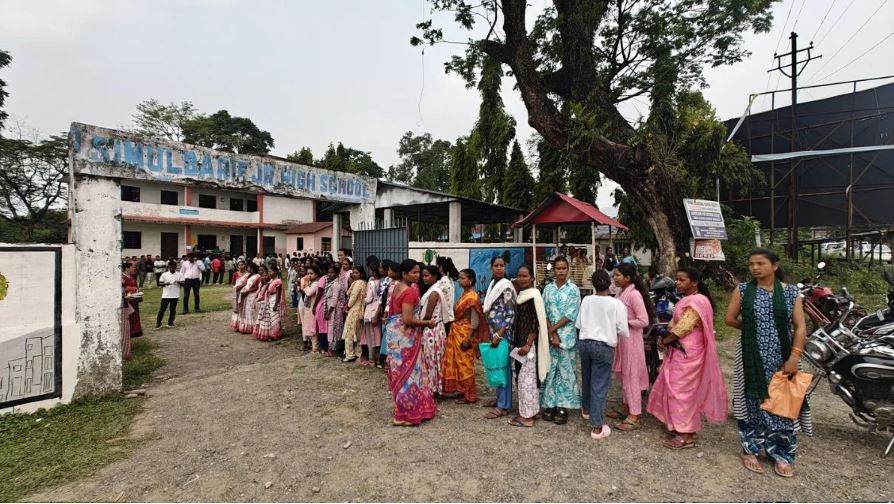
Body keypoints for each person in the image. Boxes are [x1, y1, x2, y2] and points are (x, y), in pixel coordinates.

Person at [725, 249, 809, 478]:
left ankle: (781, 454)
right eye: (751, 264)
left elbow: (800, 327)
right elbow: (730, 319)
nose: (754, 268)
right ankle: (750, 449)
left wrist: (794, 357)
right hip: (750, 356)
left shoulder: (791, 292)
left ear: (774, 266)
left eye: (760, 263)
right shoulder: (742, 290)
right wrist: (753, 329)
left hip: (782, 356)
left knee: (783, 402)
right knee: (752, 401)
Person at [647, 267, 728, 450]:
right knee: (675, 386)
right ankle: (679, 425)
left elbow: (684, 326)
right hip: (681, 349)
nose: (677, 283)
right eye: (677, 279)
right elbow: (675, 323)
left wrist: (666, 339)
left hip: (689, 353)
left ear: (694, 282)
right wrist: (664, 337)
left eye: (682, 280)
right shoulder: (687, 299)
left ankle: (687, 432)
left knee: (682, 390)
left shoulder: (697, 301)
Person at [577, 270, 629, 440]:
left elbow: (579, 324)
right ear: (610, 283)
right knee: (599, 385)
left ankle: (586, 409)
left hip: (585, 343)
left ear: (593, 284)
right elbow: (622, 329)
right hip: (603, 346)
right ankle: (597, 426)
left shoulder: (586, 300)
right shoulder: (617, 304)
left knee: (587, 377)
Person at [385, 259, 437, 426]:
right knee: (410, 374)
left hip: (395, 336)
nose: (417, 275)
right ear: (404, 274)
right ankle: (407, 414)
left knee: (400, 372)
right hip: (405, 339)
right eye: (413, 272)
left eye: (418, 272)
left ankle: (403, 409)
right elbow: (407, 319)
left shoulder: (396, 286)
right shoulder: (410, 292)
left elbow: (395, 314)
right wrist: (427, 323)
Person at [607, 262, 654, 431]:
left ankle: (635, 415)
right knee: (624, 376)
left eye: (618, 275)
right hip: (622, 341)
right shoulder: (621, 292)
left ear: (628, 278)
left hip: (632, 342)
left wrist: (623, 323)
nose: (615, 277)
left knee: (632, 376)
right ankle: (627, 408)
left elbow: (644, 320)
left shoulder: (634, 295)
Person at [540, 256, 582, 425]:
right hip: (550, 337)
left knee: (566, 372)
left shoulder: (573, 289)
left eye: (564, 268)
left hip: (566, 337)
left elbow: (571, 314)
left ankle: (563, 406)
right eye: (558, 268)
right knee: (551, 371)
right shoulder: (548, 289)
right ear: (554, 270)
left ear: (568, 269)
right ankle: (550, 404)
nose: (561, 271)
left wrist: (553, 331)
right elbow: (543, 310)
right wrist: (551, 334)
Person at [507, 264, 550, 428]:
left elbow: (534, 322)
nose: (521, 278)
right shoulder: (522, 295)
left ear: (532, 278)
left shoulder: (533, 296)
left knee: (526, 381)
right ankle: (531, 410)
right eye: (519, 275)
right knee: (524, 379)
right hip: (519, 344)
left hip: (527, 346)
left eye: (525, 276)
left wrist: (527, 343)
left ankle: (527, 417)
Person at [442, 268, 488, 404]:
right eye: (459, 278)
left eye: (462, 278)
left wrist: (468, 338)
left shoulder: (472, 297)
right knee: (458, 363)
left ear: (470, 280)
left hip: (465, 333)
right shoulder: (464, 294)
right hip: (457, 331)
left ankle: (470, 395)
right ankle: (462, 390)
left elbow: (475, 320)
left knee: (465, 364)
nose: (459, 280)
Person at [483, 256, 517, 420]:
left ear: (505, 267)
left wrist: (499, 334)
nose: (498, 268)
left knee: (504, 367)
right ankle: (499, 398)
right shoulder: (493, 284)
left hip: (503, 334)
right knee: (496, 364)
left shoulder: (506, 287)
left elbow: (510, 314)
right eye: (496, 265)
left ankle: (504, 405)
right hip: (493, 332)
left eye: (501, 265)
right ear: (491, 267)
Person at [419, 265, 447, 396]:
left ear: (435, 277)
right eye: (423, 275)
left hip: (432, 329)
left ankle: (432, 388)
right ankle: (435, 386)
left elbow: (428, 315)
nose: (424, 278)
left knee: (432, 358)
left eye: (427, 275)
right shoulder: (434, 290)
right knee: (435, 358)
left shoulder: (434, 293)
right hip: (436, 328)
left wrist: (419, 325)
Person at [342, 265, 367, 362]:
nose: (354, 274)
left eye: (356, 272)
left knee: (349, 333)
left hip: (354, 310)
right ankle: (357, 353)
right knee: (357, 332)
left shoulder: (358, 283)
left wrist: (347, 307)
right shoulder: (362, 283)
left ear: (361, 274)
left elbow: (353, 296)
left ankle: (349, 355)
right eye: (353, 272)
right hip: (359, 310)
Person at [359, 260, 382, 366]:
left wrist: (363, 297)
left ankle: (371, 358)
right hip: (378, 309)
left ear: (373, 271)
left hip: (370, 311)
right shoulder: (382, 281)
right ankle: (377, 358)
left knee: (369, 336)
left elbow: (368, 299)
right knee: (378, 335)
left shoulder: (371, 282)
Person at [255, 265, 286, 341]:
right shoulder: (271, 281)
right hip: (269, 299)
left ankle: (276, 334)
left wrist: (276, 304)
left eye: (270, 271)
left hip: (274, 299)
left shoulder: (278, 281)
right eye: (268, 271)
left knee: (275, 317)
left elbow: (278, 293)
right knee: (271, 318)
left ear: (275, 272)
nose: (269, 273)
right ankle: (272, 333)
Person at [323, 264, 345, 357]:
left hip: (335, 310)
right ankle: (332, 349)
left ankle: (333, 350)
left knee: (334, 329)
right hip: (333, 309)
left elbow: (334, 299)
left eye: (332, 272)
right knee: (333, 328)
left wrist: (329, 311)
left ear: (337, 274)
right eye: (328, 272)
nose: (329, 274)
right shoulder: (333, 282)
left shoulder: (336, 284)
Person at [237, 263, 264, 334]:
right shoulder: (249, 275)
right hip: (247, 294)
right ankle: (246, 326)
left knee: (251, 310)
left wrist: (247, 291)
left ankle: (252, 326)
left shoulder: (257, 276)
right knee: (246, 310)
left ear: (252, 268)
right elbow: (246, 284)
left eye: (248, 267)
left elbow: (256, 287)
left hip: (252, 294)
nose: (247, 269)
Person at [156, 260, 183, 328]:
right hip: (166, 295)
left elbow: (184, 283)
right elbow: (159, 283)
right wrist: (166, 283)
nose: (172, 269)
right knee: (162, 309)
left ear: (176, 267)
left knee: (173, 310)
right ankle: (158, 323)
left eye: (174, 268)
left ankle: (170, 322)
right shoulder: (164, 274)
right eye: (171, 267)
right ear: (168, 267)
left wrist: (178, 282)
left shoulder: (179, 274)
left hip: (175, 295)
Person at [435, 256, 459, 335]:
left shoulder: (443, 282)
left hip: (443, 317)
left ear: (440, 267)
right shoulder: (450, 280)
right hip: (449, 316)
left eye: (436, 266)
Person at [300, 266, 321, 352]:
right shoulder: (311, 283)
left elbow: (308, 293)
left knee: (313, 328)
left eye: (311, 274)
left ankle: (315, 348)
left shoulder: (316, 284)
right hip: (308, 308)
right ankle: (313, 347)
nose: (309, 275)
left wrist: (304, 282)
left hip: (313, 308)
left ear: (316, 274)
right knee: (309, 326)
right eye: (308, 273)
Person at [121, 262, 143, 338]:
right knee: (130, 315)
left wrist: (138, 291)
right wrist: (133, 289)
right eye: (131, 267)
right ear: (127, 268)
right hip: (128, 299)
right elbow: (124, 288)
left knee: (135, 314)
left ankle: (136, 331)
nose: (133, 268)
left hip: (134, 297)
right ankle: (130, 331)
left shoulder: (131, 276)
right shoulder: (123, 277)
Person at [120, 262, 136, 360]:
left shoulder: (126, 277)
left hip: (126, 303)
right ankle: (125, 353)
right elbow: (123, 291)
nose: (133, 269)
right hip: (123, 305)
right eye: (131, 267)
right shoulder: (121, 278)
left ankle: (126, 351)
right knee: (124, 329)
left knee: (126, 327)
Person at [230, 260, 249, 330]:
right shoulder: (235, 274)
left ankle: (243, 324)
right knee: (237, 308)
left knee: (244, 307)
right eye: (239, 265)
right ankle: (236, 324)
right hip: (237, 293)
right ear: (237, 266)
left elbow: (249, 284)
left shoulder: (248, 274)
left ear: (245, 265)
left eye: (242, 265)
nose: (240, 266)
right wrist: (235, 287)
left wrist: (243, 287)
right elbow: (232, 284)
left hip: (245, 293)